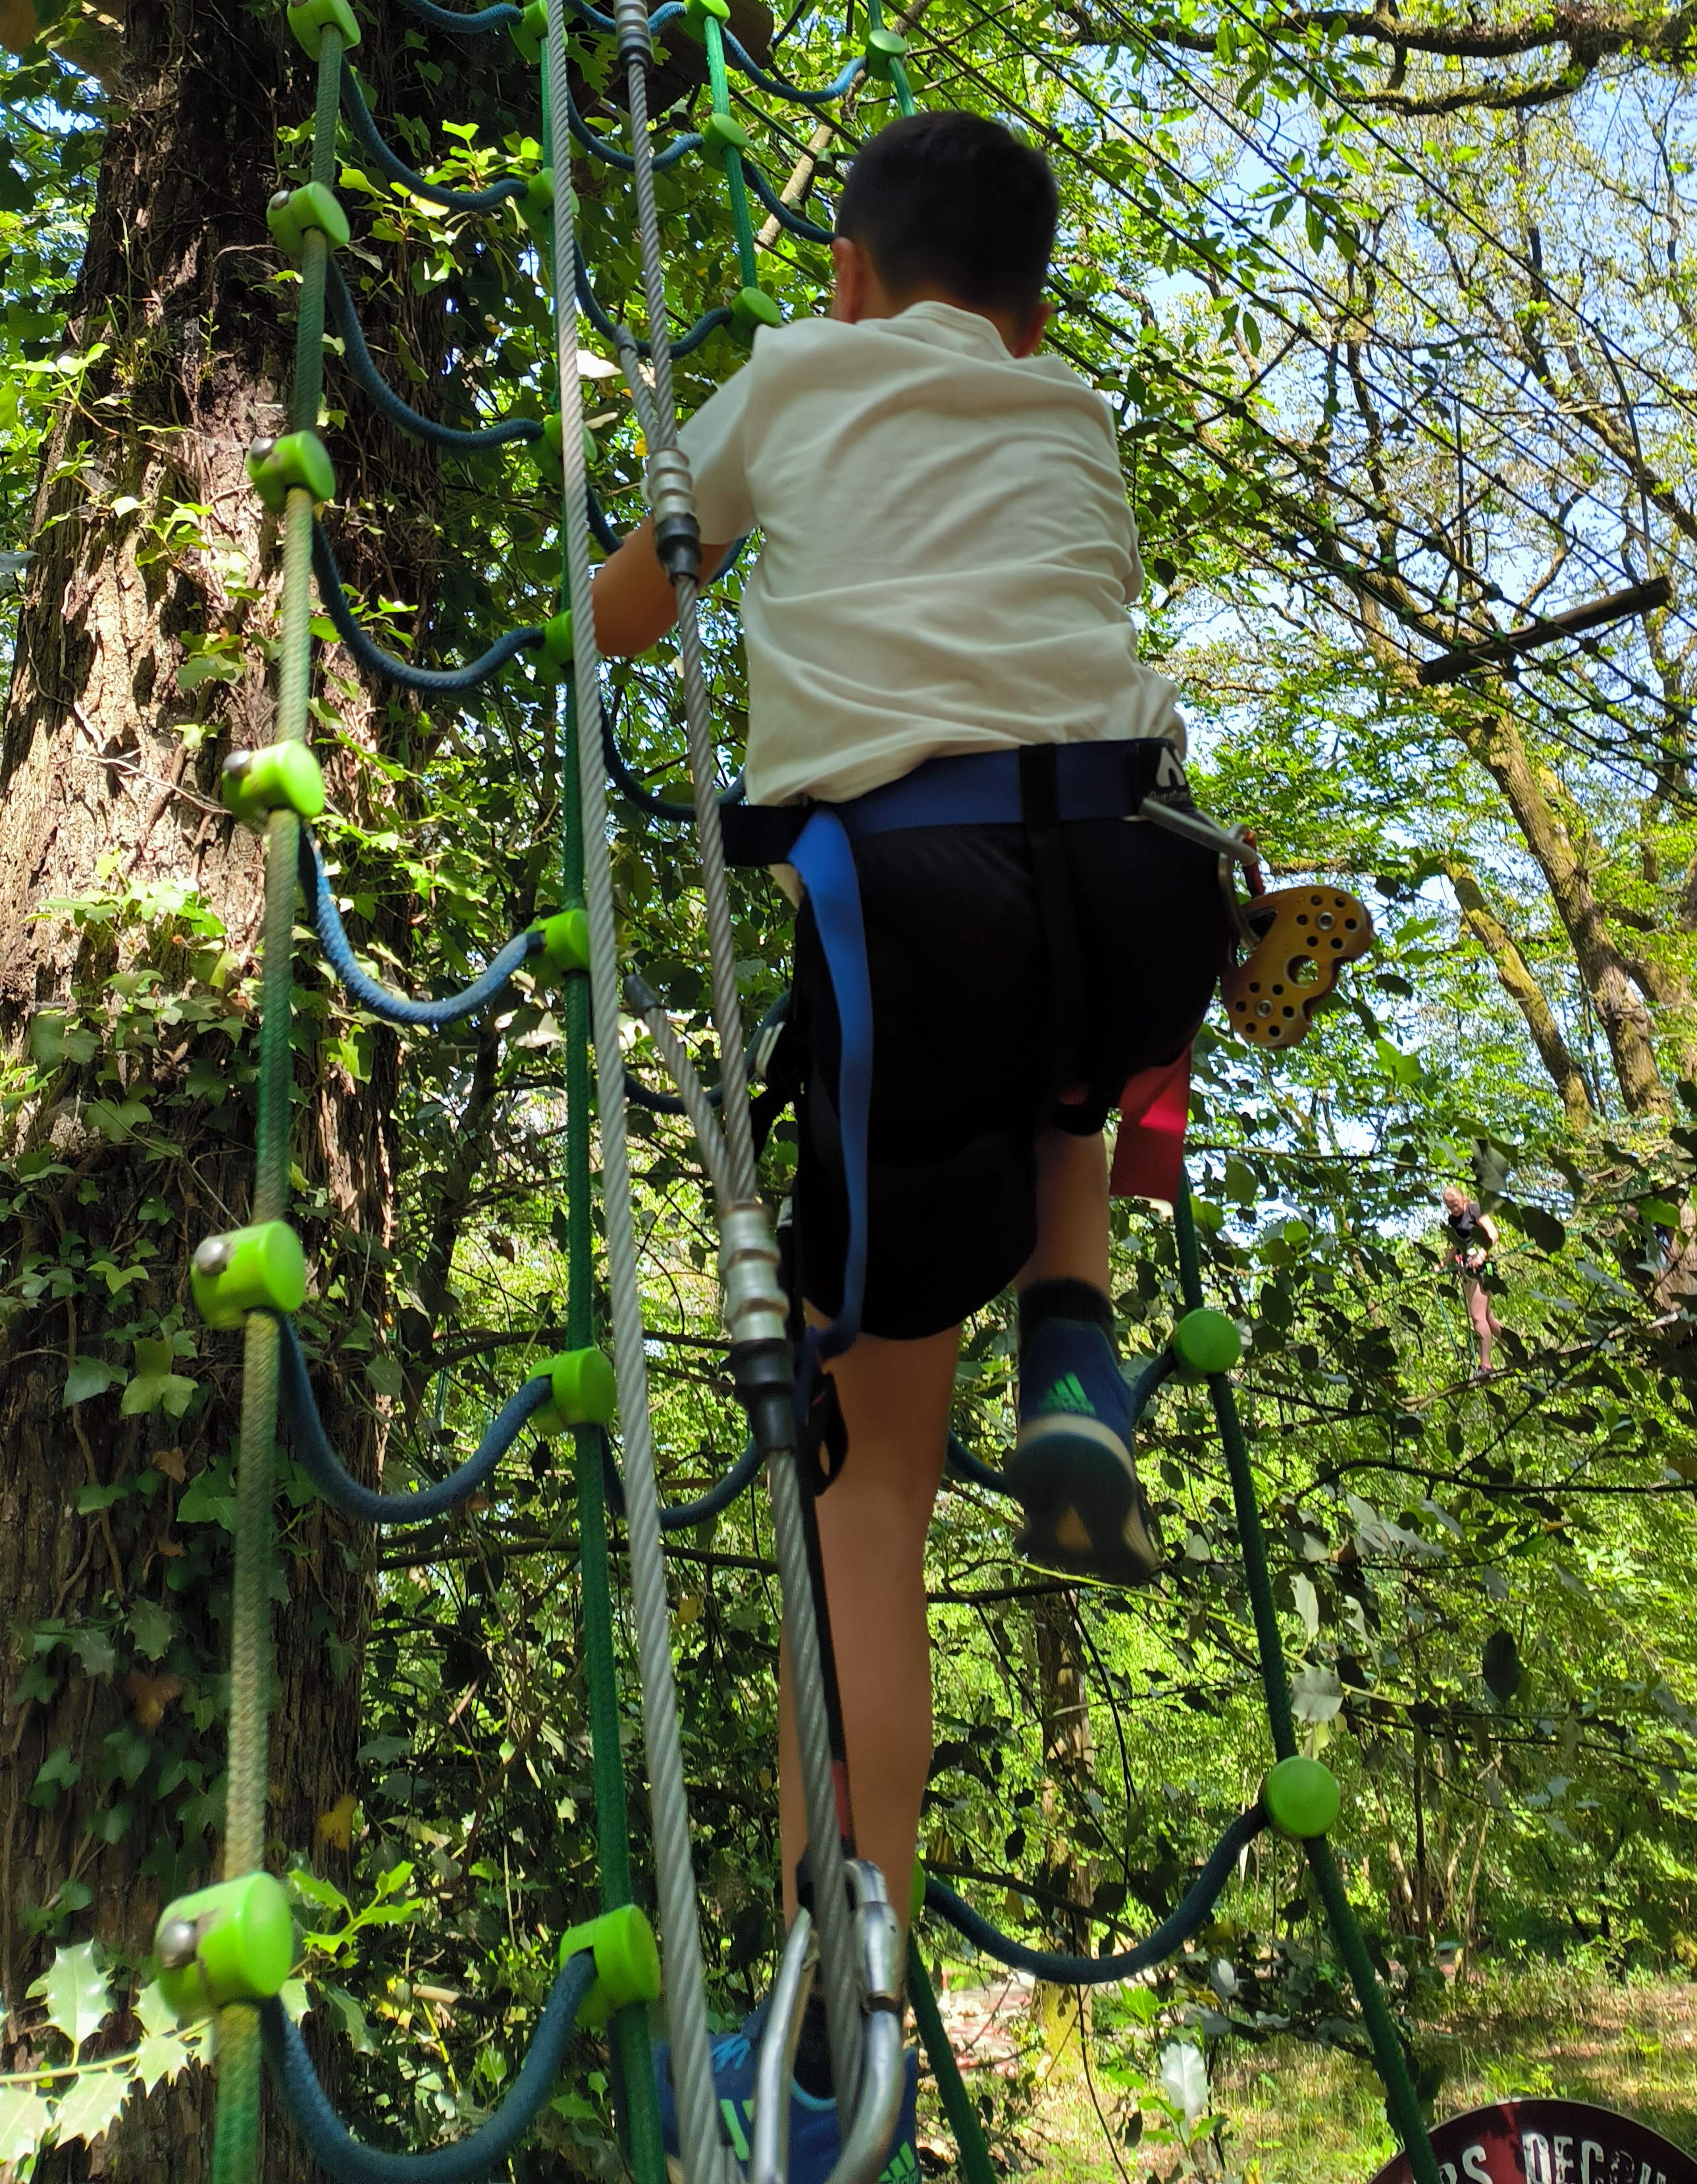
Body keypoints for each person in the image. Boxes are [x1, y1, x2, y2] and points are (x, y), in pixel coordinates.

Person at [592, 111, 1226, 2181]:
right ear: (1030, 312)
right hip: (1143, 877)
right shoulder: (1070, 406)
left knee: (863, 1497)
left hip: (920, 902)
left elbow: (630, 608)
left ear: (849, 274)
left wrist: (615, 573)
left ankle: (812, 2046)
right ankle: (1077, 1335)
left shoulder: (793, 373)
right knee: (1074, 1060)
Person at [1440, 1185, 1501, 1377]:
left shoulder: (1475, 1210)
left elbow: (1493, 1234)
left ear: (1463, 1199)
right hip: (1467, 1270)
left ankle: (1486, 1366)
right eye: (1449, 1207)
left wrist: (1482, 1254)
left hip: (1482, 1270)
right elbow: (1456, 1246)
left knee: (1477, 1317)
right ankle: (1517, 1350)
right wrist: (1441, 1264)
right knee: (1487, 1317)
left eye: (1455, 1205)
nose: (1453, 1209)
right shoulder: (1453, 1220)